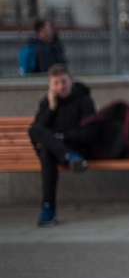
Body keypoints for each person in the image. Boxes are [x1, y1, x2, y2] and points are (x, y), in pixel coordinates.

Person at [28, 63, 97, 227]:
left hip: (77, 147)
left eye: (63, 82)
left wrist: (62, 138)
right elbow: (37, 130)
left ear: (71, 81)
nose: (60, 86)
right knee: (36, 131)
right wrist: (51, 108)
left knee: (47, 154)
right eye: (56, 83)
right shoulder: (47, 102)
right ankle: (68, 157)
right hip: (63, 154)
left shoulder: (84, 100)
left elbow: (90, 132)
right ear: (50, 85)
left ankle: (48, 209)